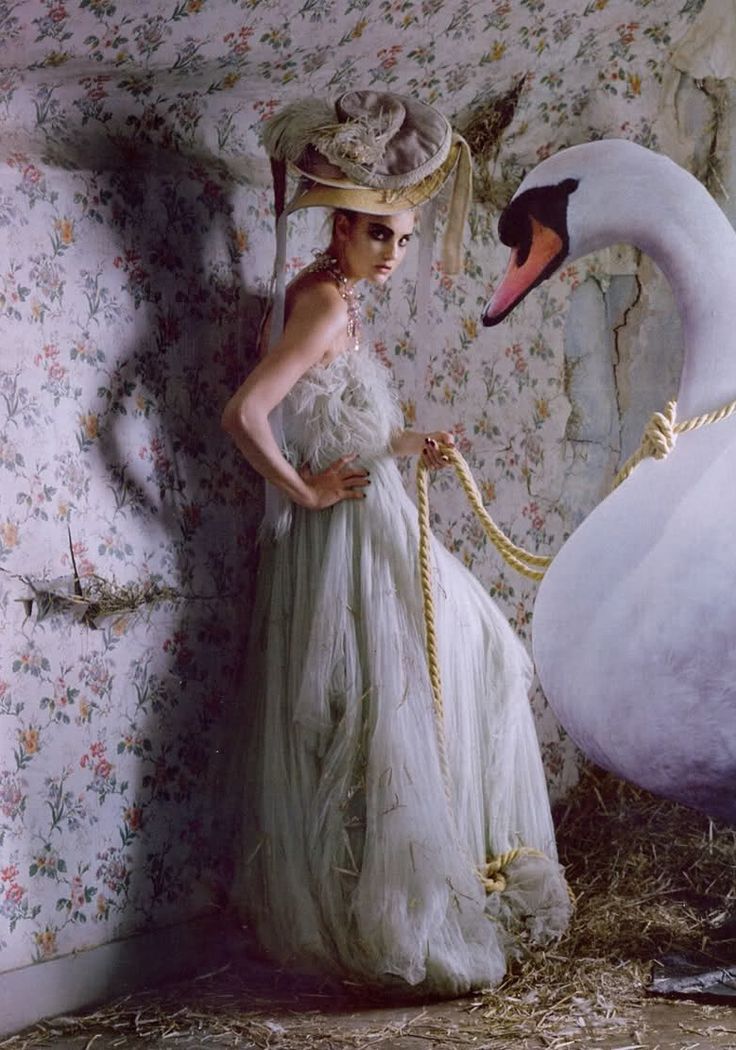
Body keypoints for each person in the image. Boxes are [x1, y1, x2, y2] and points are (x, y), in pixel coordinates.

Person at [222, 91, 571, 997]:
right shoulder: (324, 306)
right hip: (349, 538)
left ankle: (444, 876)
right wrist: (303, 491)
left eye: (405, 237)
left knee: (448, 680)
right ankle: (403, 914)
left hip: (372, 521)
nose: (395, 254)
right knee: (413, 699)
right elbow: (247, 414)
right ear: (338, 230)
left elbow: (335, 423)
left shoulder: (332, 297)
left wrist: (414, 444)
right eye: (380, 235)